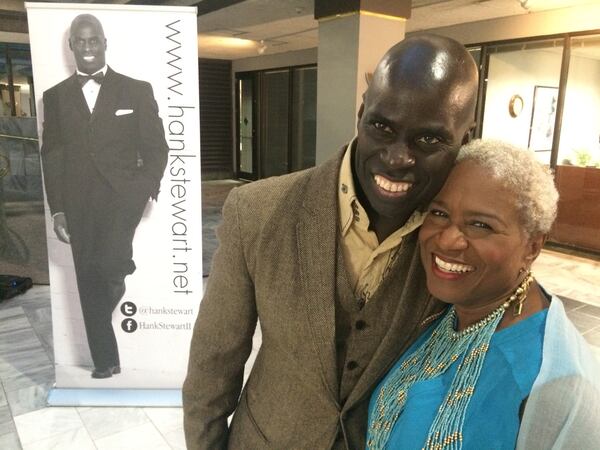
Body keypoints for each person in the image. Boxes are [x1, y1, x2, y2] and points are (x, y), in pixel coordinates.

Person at [183, 34, 478, 449]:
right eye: (381, 127)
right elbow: (214, 361)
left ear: (465, 138)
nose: (397, 158)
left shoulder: (464, 243)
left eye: (428, 139)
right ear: (361, 113)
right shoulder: (258, 211)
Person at [367, 139, 600, 449]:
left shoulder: (546, 384)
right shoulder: (450, 311)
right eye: (439, 213)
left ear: (532, 246)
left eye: (480, 225)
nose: (448, 240)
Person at [40, 14, 168, 379]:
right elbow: (52, 155)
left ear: (105, 42)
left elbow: (157, 147)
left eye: (93, 40)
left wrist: (143, 189)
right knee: (86, 275)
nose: (87, 48)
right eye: (79, 42)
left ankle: (112, 287)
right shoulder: (56, 96)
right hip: (77, 202)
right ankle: (105, 360)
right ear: (71, 47)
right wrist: (58, 209)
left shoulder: (136, 89)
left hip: (121, 199)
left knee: (111, 263)